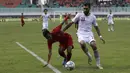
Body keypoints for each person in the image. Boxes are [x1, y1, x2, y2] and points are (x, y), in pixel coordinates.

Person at [62, 3, 105, 69]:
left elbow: (96, 27)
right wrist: (63, 30)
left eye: (86, 8)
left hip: (89, 34)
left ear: (89, 8)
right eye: (84, 8)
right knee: (82, 43)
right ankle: (89, 56)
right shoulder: (79, 15)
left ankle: (98, 64)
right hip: (81, 34)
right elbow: (71, 23)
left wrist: (100, 36)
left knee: (94, 45)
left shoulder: (93, 17)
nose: (84, 10)